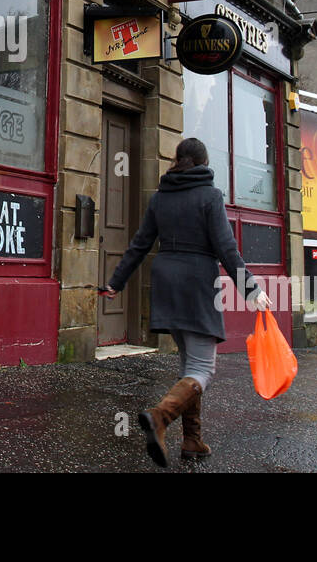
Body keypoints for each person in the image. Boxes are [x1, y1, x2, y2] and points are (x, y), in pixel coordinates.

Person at [99, 136, 271, 467]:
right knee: (203, 368)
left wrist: (115, 282)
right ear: (205, 163)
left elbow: (139, 244)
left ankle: (193, 440)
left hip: (166, 282)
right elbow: (226, 247)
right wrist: (251, 290)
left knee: (189, 364)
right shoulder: (210, 196)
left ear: (177, 161)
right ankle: (160, 417)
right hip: (196, 284)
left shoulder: (161, 197)